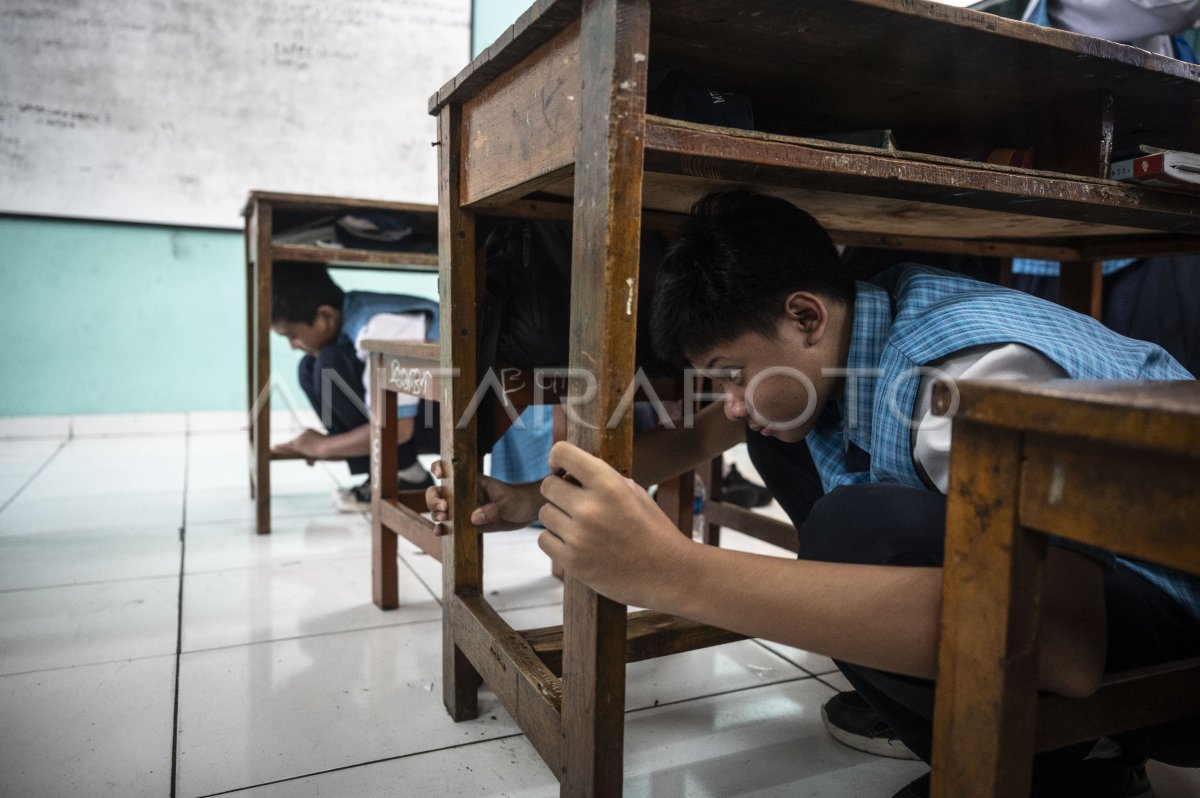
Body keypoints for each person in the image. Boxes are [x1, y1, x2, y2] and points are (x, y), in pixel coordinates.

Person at [427, 192, 1199, 797]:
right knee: (777, 433)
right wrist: (534, 496)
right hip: (1095, 607)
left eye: (731, 371)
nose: (727, 398)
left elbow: (1063, 644)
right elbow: (700, 439)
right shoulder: (857, 328)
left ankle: (1059, 770)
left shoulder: (959, 378)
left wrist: (671, 572)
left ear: (803, 314)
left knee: (852, 528)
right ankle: (1052, 753)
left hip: (1177, 640)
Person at [270, 263, 440, 512]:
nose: (293, 345)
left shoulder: (380, 325)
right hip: (420, 408)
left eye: (292, 335)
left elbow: (399, 428)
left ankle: (407, 476)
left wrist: (323, 447)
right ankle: (390, 470)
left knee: (330, 365)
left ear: (325, 316)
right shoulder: (350, 313)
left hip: (455, 411)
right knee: (309, 366)